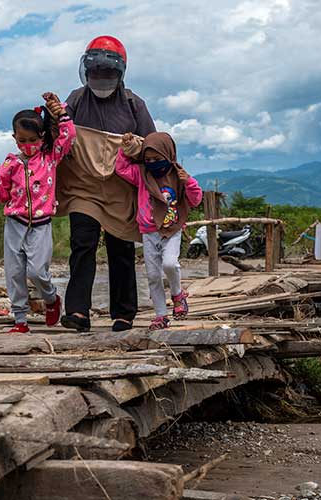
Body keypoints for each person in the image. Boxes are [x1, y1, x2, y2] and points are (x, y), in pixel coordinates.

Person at [56, 35, 157, 333]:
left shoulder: (133, 104)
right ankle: (77, 312)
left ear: (120, 73)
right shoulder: (75, 99)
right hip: (83, 187)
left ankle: (123, 313)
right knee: (82, 244)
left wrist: (135, 149)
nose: (101, 78)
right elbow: (60, 133)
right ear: (86, 72)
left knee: (121, 247)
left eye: (107, 73)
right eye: (95, 72)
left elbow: (151, 145)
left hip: (119, 188)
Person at [0, 93, 76, 334]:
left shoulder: (49, 158)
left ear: (42, 137)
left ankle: (51, 299)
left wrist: (61, 114)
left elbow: (69, 136)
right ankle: (20, 321)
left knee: (37, 271)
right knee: (14, 273)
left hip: (41, 224)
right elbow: (1, 197)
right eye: (22, 140)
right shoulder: (10, 164)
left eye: (32, 140)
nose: (27, 146)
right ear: (15, 139)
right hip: (14, 224)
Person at [115, 132, 203, 330]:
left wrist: (189, 182)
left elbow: (195, 199)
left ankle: (178, 294)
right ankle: (161, 315)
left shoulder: (179, 176)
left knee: (170, 264)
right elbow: (121, 169)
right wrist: (125, 149)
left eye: (157, 159)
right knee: (153, 275)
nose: (153, 163)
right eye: (149, 160)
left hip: (172, 229)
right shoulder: (141, 174)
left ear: (169, 155)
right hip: (148, 231)